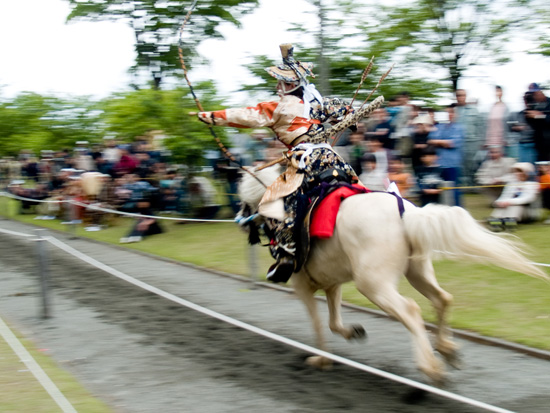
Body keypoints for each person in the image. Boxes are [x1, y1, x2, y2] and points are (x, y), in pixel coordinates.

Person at [197, 43, 365, 283]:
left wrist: (211, 117)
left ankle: (286, 254)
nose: (277, 88)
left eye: (281, 83)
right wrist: (350, 118)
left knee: (273, 201)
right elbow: (347, 112)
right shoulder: (319, 102)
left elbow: (245, 115)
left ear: (291, 84)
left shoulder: (278, 108)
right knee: (356, 187)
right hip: (335, 160)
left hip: (305, 162)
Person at [427, 104, 464, 206]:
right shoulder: (439, 127)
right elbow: (430, 140)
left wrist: (439, 142)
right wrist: (443, 142)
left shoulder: (459, 128)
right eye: (448, 112)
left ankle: (458, 211)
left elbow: (452, 143)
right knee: (439, 190)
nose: (449, 115)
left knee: (454, 190)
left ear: (455, 114)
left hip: (452, 164)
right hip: (439, 163)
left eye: (452, 112)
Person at [487, 162, 539, 231]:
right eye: (516, 172)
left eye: (520, 172)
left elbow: (528, 198)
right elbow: (504, 196)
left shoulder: (533, 184)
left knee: (515, 205)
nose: (517, 174)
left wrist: (509, 202)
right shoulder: (511, 184)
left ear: (526, 173)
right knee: (503, 204)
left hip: (527, 212)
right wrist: (499, 202)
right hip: (511, 210)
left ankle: (510, 223)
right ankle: (496, 220)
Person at [454, 89, 484, 186]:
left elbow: (480, 126)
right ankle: (463, 186)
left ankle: (472, 186)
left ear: (465, 96)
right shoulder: (453, 110)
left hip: (472, 142)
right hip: (458, 143)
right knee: (461, 165)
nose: (461, 97)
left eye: (463, 95)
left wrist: (481, 142)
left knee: (472, 165)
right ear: (456, 97)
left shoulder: (474, 110)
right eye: (458, 95)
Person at [524, 83, 550, 162]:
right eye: (532, 94)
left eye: (535, 93)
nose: (534, 96)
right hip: (540, 145)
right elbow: (530, 123)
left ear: (540, 92)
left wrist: (541, 116)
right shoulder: (533, 105)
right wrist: (528, 108)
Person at [485, 86, 510, 154]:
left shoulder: (505, 107)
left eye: (499, 91)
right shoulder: (491, 107)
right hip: (491, 139)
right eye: (496, 91)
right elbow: (488, 125)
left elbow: (507, 125)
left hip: (502, 139)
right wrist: (487, 140)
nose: (498, 93)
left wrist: (506, 140)